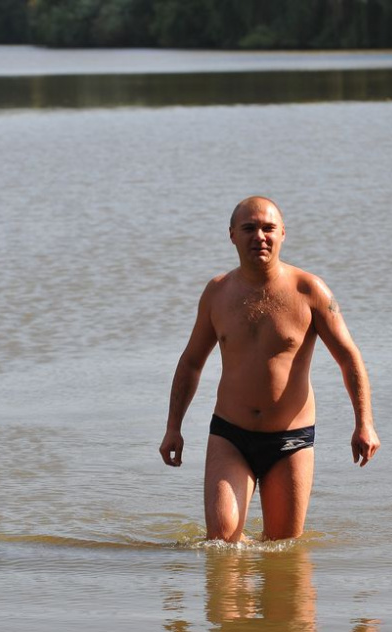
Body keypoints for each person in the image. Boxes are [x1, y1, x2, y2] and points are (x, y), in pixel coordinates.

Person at [159, 196, 380, 542]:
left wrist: (364, 423)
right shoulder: (217, 293)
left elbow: (349, 357)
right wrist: (173, 427)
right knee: (221, 541)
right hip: (230, 435)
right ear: (232, 235)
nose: (259, 236)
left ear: (282, 234)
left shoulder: (310, 290)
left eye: (268, 228)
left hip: (291, 439)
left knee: (283, 549)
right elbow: (191, 362)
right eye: (249, 228)